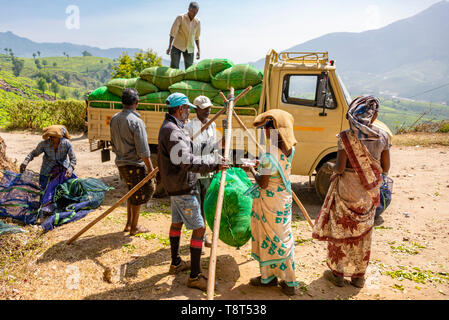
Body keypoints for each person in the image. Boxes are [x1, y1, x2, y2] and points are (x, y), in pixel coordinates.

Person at [312, 95, 390, 288]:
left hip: (346, 190)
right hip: (368, 194)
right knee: (363, 234)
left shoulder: (346, 137)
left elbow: (339, 168)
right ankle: (358, 277)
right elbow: (386, 168)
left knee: (341, 230)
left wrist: (331, 167)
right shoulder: (383, 136)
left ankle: (338, 274)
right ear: (373, 115)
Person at [158, 92, 227, 291]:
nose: (189, 111)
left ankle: (176, 262)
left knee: (177, 222)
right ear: (180, 109)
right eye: (187, 108)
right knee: (199, 229)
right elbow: (187, 161)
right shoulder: (173, 130)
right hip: (182, 187)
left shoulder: (172, 127)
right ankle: (195, 276)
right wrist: (214, 164)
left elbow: (189, 150)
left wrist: (212, 148)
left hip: (175, 184)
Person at [243, 109, 299, 296]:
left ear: (273, 130)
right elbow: (277, 168)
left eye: (267, 128)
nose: (265, 132)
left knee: (268, 237)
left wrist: (251, 169)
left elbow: (263, 183)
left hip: (270, 201)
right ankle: (283, 279)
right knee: (283, 237)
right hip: (283, 199)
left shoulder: (269, 155)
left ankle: (272, 278)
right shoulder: (290, 149)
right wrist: (262, 165)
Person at [110, 88, 156, 236]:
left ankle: (129, 224)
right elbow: (143, 150)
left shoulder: (114, 119)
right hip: (134, 164)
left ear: (122, 102)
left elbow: (113, 143)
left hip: (121, 162)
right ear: (137, 102)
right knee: (139, 195)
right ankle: (134, 227)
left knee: (131, 192)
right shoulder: (136, 121)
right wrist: (150, 169)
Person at [20, 125, 77, 213]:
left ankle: (59, 209)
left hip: (62, 171)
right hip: (47, 172)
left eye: (54, 137)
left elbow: (73, 159)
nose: (52, 139)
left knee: (63, 192)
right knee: (44, 192)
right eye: (50, 137)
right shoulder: (44, 144)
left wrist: (70, 169)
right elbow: (33, 153)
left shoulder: (67, 144)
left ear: (59, 137)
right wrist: (25, 162)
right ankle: (44, 211)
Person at [184, 96, 217, 248]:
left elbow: (214, 147)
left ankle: (205, 234)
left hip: (208, 170)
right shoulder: (189, 127)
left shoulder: (212, 125)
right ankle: (198, 237)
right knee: (196, 204)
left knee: (206, 204)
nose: (207, 110)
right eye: (204, 108)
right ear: (196, 109)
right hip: (195, 171)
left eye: (209, 108)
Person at [167, 2, 201, 70]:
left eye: (196, 12)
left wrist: (199, 50)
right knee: (174, 67)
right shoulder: (180, 18)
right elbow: (172, 32)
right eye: (192, 12)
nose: (194, 14)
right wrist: (169, 46)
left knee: (189, 70)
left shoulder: (197, 22)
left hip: (190, 48)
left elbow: (197, 37)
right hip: (177, 46)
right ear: (189, 9)